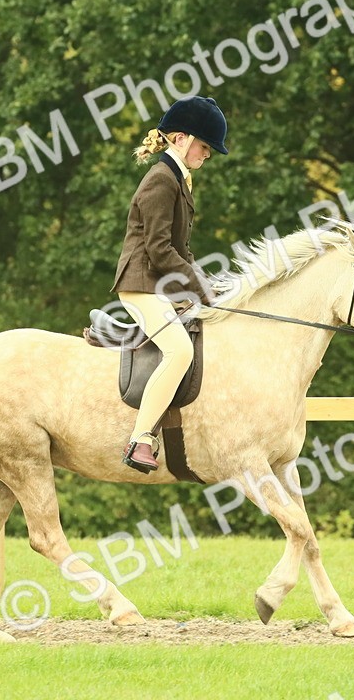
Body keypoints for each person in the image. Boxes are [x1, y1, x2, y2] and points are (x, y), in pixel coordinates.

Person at [110, 96, 229, 473]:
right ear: (180, 138)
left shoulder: (177, 180)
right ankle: (140, 438)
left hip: (159, 283)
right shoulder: (161, 181)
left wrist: (213, 287)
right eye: (205, 146)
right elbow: (159, 251)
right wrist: (199, 288)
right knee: (180, 351)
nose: (207, 154)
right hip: (142, 284)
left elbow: (182, 250)